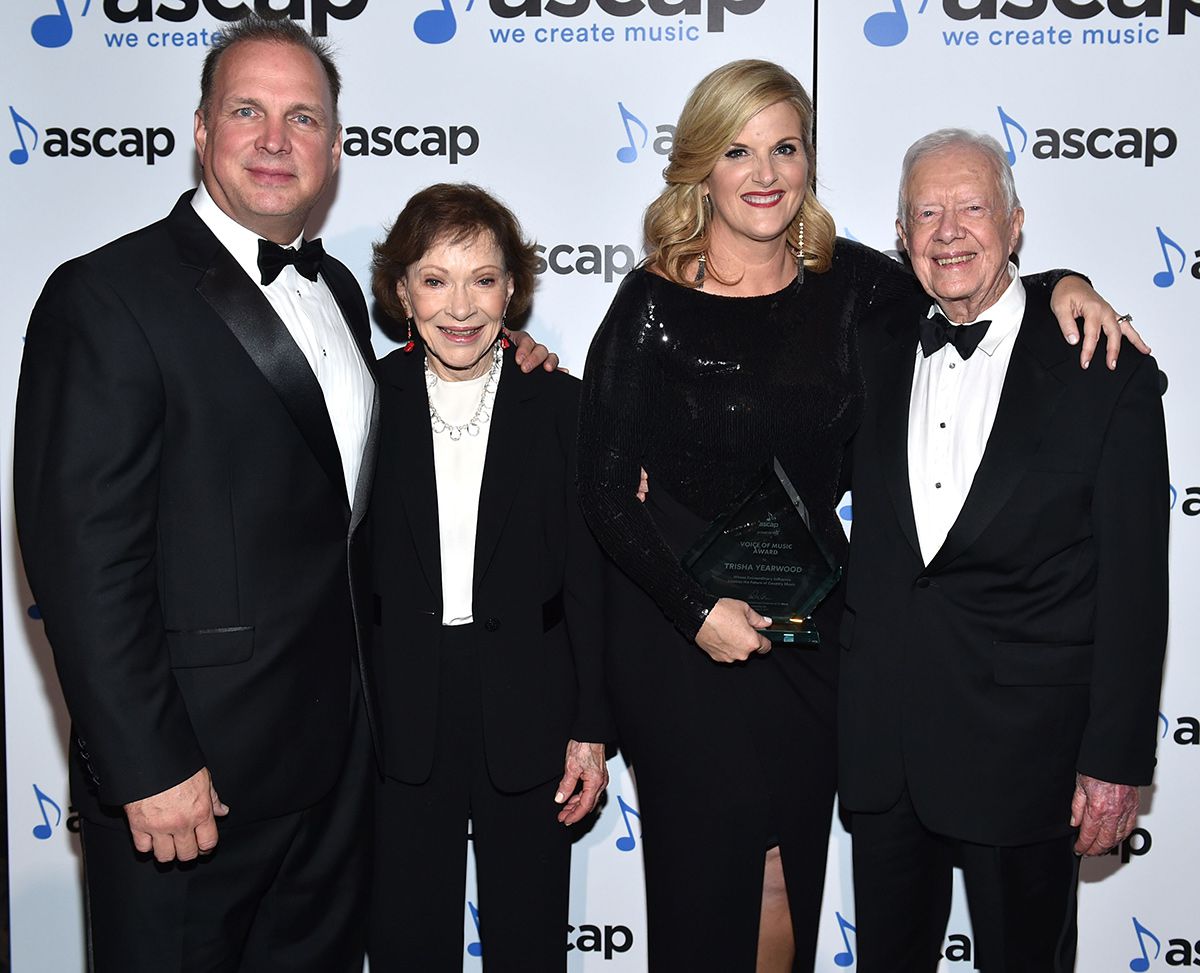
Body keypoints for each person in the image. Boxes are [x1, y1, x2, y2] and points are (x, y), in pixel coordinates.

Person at [12, 16, 551, 971]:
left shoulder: (339, 290)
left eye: (302, 118)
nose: (274, 140)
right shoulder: (104, 297)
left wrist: (508, 355)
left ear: (337, 147)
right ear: (199, 129)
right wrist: (148, 765)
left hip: (341, 772)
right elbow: (84, 560)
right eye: (247, 112)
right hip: (192, 786)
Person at [576, 60, 1138, 972]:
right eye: (738, 150)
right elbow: (601, 490)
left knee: (787, 874)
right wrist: (696, 613)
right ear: (699, 171)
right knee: (701, 879)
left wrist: (1067, 281)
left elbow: (970, 276)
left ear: (808, 163)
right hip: (683, 648)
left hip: (808, 638)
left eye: (785, 148)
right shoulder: (651, 305)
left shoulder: (849, 286)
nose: (765, 172)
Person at [837, 129, 1169, 973]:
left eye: (972, 207)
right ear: (902, 234)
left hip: (1029, 754)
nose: (949, 230)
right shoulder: (869, 346)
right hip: (887, 754)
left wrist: (1114, 761)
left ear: (1016, 224)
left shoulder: (1103, 368)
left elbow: (1136, 589)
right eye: (927, 212)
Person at [366, 183, 613, 971]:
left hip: (531, 707)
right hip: (396, 711)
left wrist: (592, 725)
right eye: (435, 279)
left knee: (530, 945)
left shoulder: (566, 406)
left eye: (483, 278)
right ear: (402, 292)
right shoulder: (363, 399)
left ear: (513, 288)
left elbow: (592, 582)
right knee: (407, 945)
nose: (460, 305)